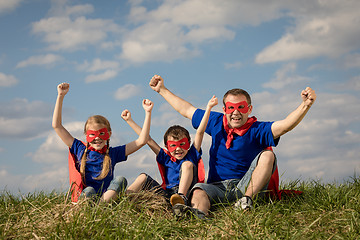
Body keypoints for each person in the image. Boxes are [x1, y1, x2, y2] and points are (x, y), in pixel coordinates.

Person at [149, 74, 316, 218]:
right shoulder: (215, 121)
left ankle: (246, 201)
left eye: (241, 107)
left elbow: (285, 125)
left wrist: (305, 105)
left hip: (246, 185)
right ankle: (199, 216)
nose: (235, 112)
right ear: (224, 109)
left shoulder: (258, 129)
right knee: (198, 190)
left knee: (268, 155)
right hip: (217, 187)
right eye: (231, 108)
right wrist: (162, 89)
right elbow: (186, 109)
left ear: (249, 109)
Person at [52, 82, 153, 202]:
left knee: (121, 180)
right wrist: (60, 96)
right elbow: (57, 126)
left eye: (101, 133)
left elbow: (142, 141)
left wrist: (148, 113)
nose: (97, 138)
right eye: (92, 134)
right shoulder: (79, 148)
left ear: (109, 134)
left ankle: (101, 207)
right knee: (89, 191)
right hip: (87, 197)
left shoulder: (113, 153)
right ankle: (89, 209)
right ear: (86, 135)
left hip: (106, 199)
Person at [123, 95, 218, 212]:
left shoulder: (192, 154)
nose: (178, 149)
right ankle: (123, 200)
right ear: (166, 146)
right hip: (168, 196)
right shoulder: (166, 157)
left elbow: (200, 132)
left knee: (187, 165)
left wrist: (208, 108)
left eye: (182, 144)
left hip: (189, 194)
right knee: (143, 177)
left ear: (188, 143)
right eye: (173, 146)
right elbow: (147, 139)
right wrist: (130, 120)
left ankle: (181, 198)